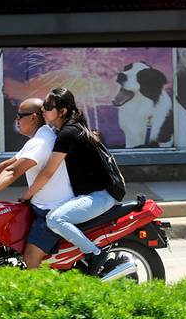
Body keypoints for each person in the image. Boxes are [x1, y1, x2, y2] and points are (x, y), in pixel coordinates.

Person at [0, 97, 73, 269]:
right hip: (40, 206)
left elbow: (13, 172)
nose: (16, 120)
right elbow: (7, 164)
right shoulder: (39, 137)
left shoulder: (40, 142)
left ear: (33, 117)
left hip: (51, 210)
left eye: (20, 115)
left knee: (30, 257)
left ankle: (39, 294)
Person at [25, 87, 119, 276]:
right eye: (43, 105)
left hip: (101, 195)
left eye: (48, 106)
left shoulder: (67, 134)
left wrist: (26, 195)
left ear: (63, 111)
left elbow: (47, 172)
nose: (43, 109)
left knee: (55, 218)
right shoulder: (68, 129)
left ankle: (95, 254)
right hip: (94, 194)